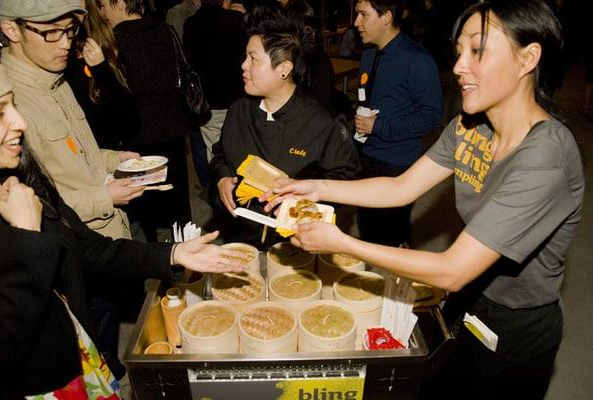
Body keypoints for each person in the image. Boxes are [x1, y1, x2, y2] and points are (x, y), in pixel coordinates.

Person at [262, 0, 584, 398]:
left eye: (477, 50)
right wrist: (317, 188)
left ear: (528, 58)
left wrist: (341, 243)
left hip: (515, 324)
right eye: (459, 51)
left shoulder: (546, 157)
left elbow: (452, 268)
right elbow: (401, 187)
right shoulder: (471, 126)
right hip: (466, 299)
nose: (459, 66)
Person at [0, 61, 246, 398]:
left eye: (13, 104)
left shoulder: (20, 177)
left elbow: (88, 248)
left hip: (72, 352)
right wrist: (27, 239)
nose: (20, 121)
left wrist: (173, 252)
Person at [209, 4, 360, 248]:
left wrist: (303, 205)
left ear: (284, 69)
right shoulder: (238, 110)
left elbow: (345, 177)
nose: (243, 65)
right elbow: (220, 155)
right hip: (240, 237)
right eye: (245, 56)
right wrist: (222, 178)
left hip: (293, 243)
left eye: (253, 58)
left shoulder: (321, 123)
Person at [0, 0, 143, 240]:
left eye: (69, 30)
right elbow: (39, 202)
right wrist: (105, 197)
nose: (66, 43)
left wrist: (112, 159)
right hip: (80, 244)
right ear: (12, 30)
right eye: (51, 32)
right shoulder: (8, 104)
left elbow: (72, 159)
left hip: (111, 237)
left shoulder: (56, 78)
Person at [99, 0, 193, 242]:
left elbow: (115, 95)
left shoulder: (112, 42)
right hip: (172, 125)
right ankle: (186, 253)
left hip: (136, 134)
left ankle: (158, 259)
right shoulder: (163, 29)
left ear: (119, 3)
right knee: (178, 198)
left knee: (143, 203)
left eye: (103, 5)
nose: (102, 12)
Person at [353, 0, 443, 247]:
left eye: (363, 14)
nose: (356, 22)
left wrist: (378, 126)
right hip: (365, 156)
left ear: (386, 17)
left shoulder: (417, 60)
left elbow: (432, 116)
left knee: (391, 238)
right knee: (368, 232)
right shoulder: (370, 54)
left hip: (396, 164)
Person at [67, 0, 138, 150]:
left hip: (114, 153)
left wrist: (100, 68)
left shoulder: (108, 48)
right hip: (82, 155)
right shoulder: (61, 61)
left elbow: (130, 118)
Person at [183, 0, 247, 162]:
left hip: (209, 102)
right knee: (242, 149)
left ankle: (219, 184)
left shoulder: (190, 24)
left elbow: (190, 63)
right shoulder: (236, 19)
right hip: (238, 98)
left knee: (214, 153)